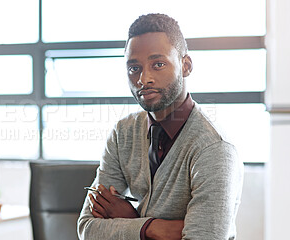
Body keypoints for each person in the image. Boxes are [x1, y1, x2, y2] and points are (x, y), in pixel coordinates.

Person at [77, 13, 244, 240]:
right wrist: (151, 228)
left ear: (185, 65)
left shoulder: (214, 148)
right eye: (134, 68)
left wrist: (130, 222)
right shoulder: (122, 134)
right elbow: (87, 228)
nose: (144, 79)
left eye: (158, 64)